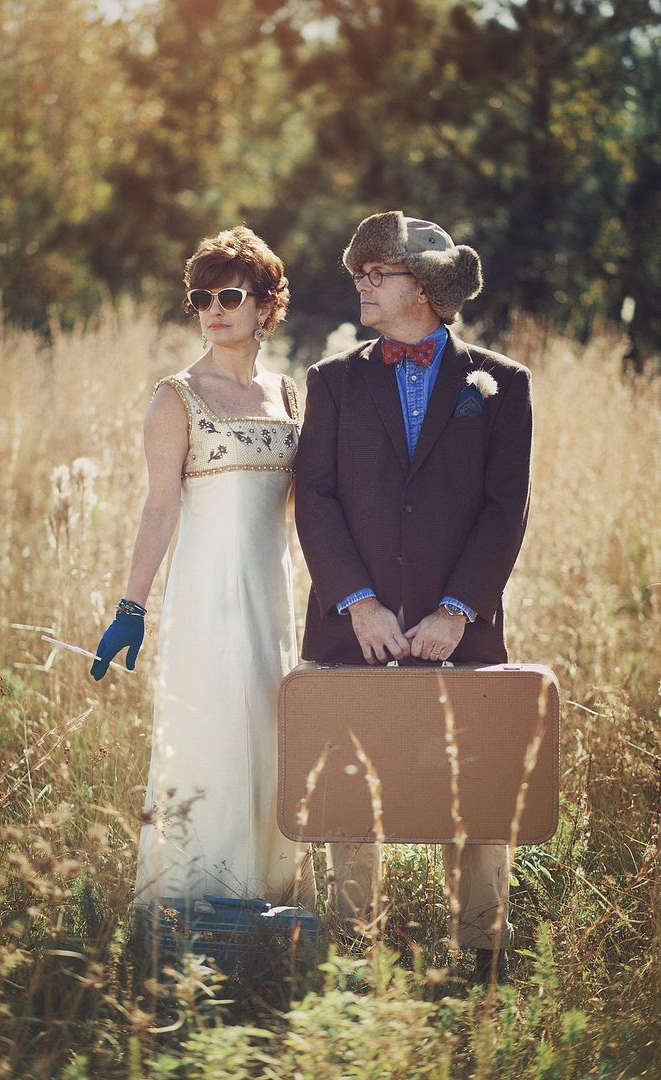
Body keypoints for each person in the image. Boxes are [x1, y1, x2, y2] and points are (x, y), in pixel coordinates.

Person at [294, 212, 532, 983]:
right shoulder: (330, 380)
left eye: (378, 273)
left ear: (424, 287)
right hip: (351, 628)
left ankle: (481, 962)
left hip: (462, 629)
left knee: (474, 788)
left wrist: (457, 611)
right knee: (349, 788)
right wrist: (359, 603)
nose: (361, 284)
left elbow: (506, 507)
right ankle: (352, 961)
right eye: (358, 272)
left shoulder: (503, 383)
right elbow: (316, 497)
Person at [91, 226, 315, 914]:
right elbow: (159, 508)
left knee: (271, 734)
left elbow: (301, 508)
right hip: (206, 597)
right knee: (213, 733)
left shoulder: (289, 395)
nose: (212, 309)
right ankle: (191, 907)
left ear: (266, 305)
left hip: (272, 598)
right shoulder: (177, 396)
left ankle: (269, 899)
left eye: (229, 296)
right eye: (200, 298)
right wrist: (131, 608)